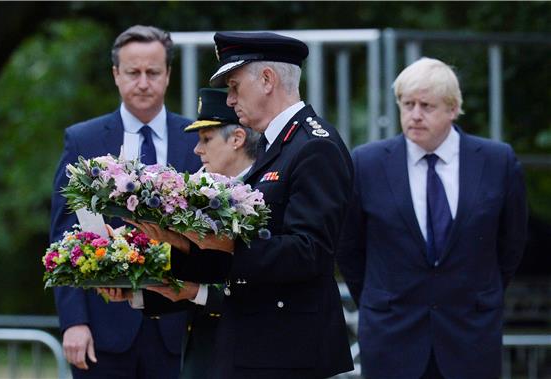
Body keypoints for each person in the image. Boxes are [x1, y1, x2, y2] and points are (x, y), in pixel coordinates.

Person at [142, 31, 355, 379]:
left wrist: (224, 245)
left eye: (235, 86)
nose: (229, 100)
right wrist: (180, 242)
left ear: (267, 80)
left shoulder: (314, 146)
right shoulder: (280, 146)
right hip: (258, 345)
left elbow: (310, 251)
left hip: (286, 351)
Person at [336, 57, 528, 379]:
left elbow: (511, 244)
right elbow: (349, 246)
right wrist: (381, 298)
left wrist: (478, 295)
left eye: (426, 105)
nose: (414, 115)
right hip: (392, 336)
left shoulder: (497, 161)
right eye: (407, 104)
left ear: (453, 109)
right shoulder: (367, 163)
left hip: (470, 335)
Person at [49, 25, 200, 379]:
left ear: (168, 75)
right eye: (133, 72)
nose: (143, 82)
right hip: (102, 331)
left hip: (180, 328)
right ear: (116, 74)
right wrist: (74, 322)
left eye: (153, 72)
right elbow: (63, 234)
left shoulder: (197, 139)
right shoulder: (83, 140)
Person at [103, 87, 260, 379]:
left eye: (206, 139)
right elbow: (198, 270)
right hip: (204, 347)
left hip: (248, 351)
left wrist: (195, 290)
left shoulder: (261, 195)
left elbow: (253, 283)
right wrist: (133, 291)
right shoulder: (204, 194)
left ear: (237, 138)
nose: (197, 150)